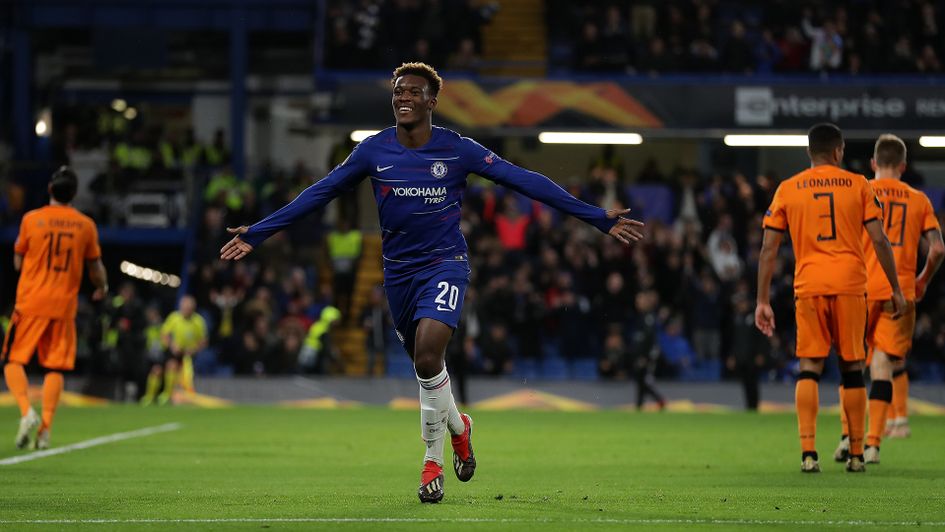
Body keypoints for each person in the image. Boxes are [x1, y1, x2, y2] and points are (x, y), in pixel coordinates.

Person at [220, 62, 644, 503]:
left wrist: (595, 217)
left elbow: (524, 180)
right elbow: (319, 192)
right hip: (398, 275)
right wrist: (260, 232)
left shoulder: (457, 150)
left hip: (446, 265)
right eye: (398, 91)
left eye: (413, 92)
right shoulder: (372, 151)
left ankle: (431, 462)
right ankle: (460, 427)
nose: (403, 97)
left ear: (431, 102)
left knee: (427, 356)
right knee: (430, 370)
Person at [755, 123, 905, 474]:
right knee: (852, 367)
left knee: (809, 367)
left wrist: (762, 299)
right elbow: (880, 240)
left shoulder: (788, 189)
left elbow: (767, 248)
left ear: (809, 152)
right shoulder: (859, 185)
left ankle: (809, 453)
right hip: (851, 286)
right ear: (839, 151)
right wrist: (896, 288)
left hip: (809, 287)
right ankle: (856, 454)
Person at [834, 134, 944, 464]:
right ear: (903, 166)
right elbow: (938, 249)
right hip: (901, 293)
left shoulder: (858, 190)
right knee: (884, 364)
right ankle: (872, 445)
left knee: (851, 363)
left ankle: (846, 438)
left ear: (872, 164)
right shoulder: (919, 200)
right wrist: (922, 279)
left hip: (860, 288)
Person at [2, 166, 108, 449]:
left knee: (13, 361)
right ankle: (45, 429)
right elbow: (95, 267)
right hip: (63, 306)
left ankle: (26, 411)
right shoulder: (85, 225)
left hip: (31, 301)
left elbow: (17, 262)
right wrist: (102, 287)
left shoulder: (31, 220)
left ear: (50, 190)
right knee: (55, 368)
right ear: (73, 194)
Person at [140, 295, 208, 406]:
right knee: (156, 369)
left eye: (188, 308)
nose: (185, 310)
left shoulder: (198, 321)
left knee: (173, 367)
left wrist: (194, 349)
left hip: (189, 355)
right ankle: (149, 397)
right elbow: (164, 334)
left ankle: (167, 395)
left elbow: (203, 341)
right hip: (171, 350)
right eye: (183, 307)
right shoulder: (174, 317)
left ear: (192, 309)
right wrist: (172, 345)